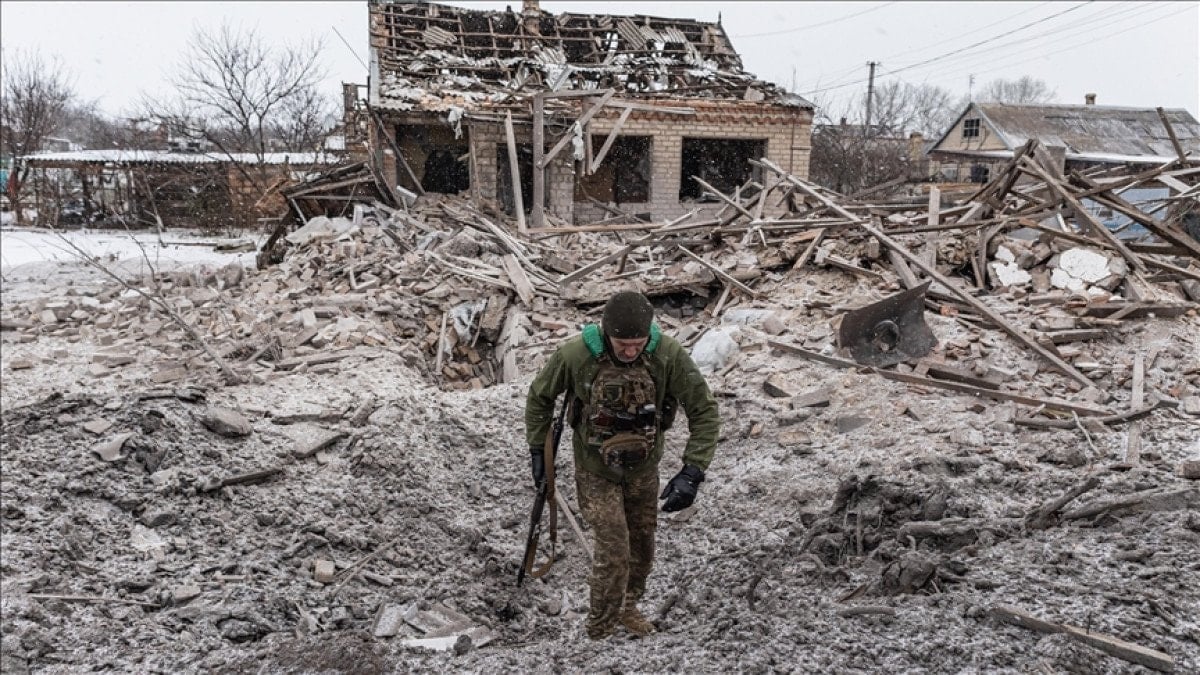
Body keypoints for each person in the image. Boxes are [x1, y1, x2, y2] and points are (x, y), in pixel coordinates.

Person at [524, 290, 720, 640]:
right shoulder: (576, 355)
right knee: (614, 547)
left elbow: (704, 409)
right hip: (595, 469)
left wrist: (693, 470)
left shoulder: (667, 356)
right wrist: (539, 449)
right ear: (605, 334)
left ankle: (628, 606)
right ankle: (599, 628)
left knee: (642, 543)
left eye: (637, 345)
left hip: (644, 468)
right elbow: (540, 396)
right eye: (622, 345)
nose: (630, 352)